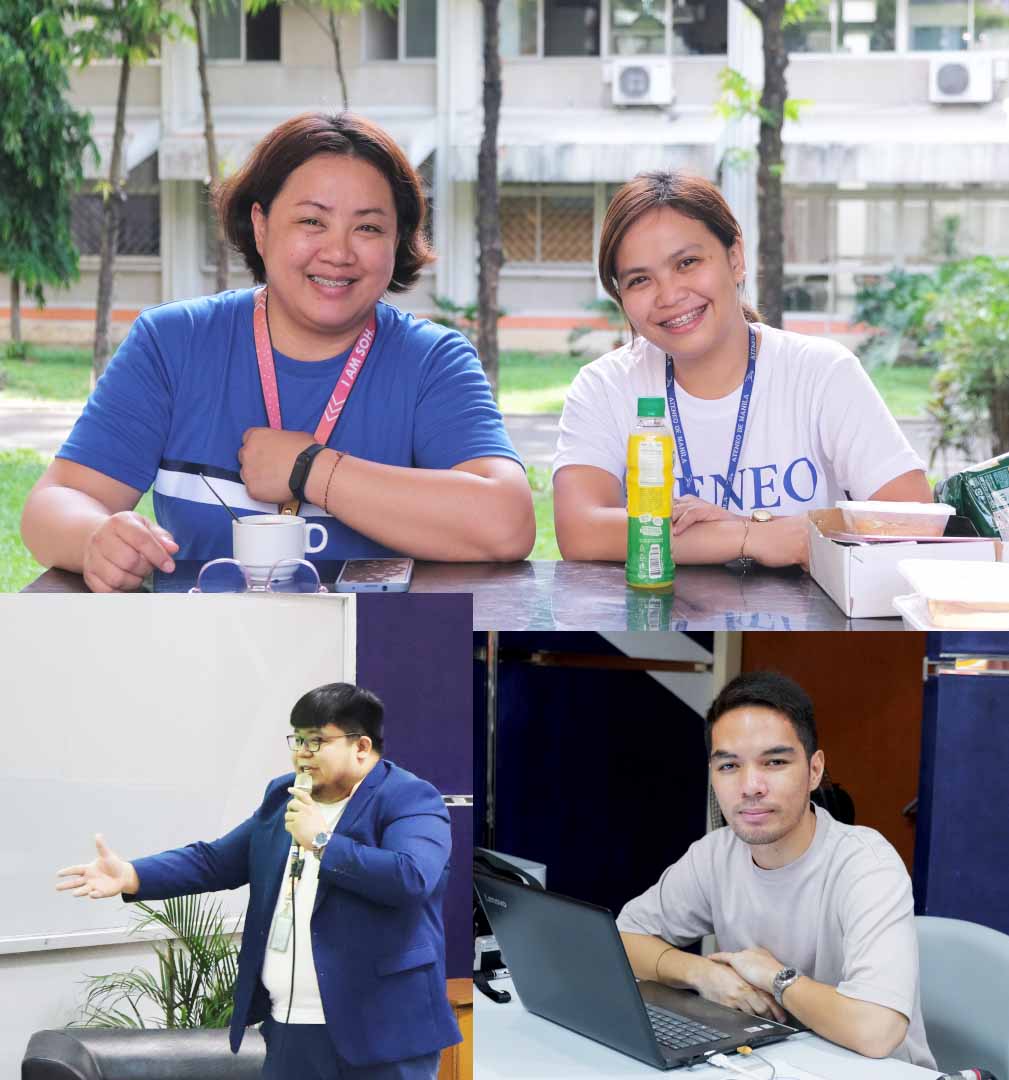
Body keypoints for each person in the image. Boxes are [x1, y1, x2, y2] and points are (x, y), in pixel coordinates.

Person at [22, 112, 535, 592]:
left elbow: (506, 524)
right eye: (312, 221)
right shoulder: (174, 343)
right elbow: (52, 505)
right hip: (198, 654)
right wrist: (96, 538)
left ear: (397, 239)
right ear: (262, 226)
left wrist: (310, 469)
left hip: (371, 663)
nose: (338, 252)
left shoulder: (432, 362)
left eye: (369, 227)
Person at [56, 683, 460, 1080]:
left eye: (317, 741)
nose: (302, 753)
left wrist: (321, 841)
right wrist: (132, 874)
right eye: (297, 739)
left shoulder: (410, 798)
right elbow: (217, 860)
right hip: (289, 1026)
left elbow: (410, 877)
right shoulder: (285, 796)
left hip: (382, 1034)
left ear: (361, 747)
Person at [553, 171, 931, 569]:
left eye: (687, 262)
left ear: (735, 258)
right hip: (658, 621)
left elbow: (912, 516)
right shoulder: (605, 386)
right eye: (640, 279)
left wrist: (747, 523)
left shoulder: (820, 372)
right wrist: (747, 536)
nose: (669, 295)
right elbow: (581, 530)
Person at [616, 670, 936, 1069]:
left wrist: (776, 979)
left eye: (775, 761)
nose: (751, 785)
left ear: (814, 770)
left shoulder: (867, 865)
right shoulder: (715, 854)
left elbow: (876, 1030)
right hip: (770, 1061)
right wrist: (699, 973)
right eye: (729, 766)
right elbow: (624, 940)